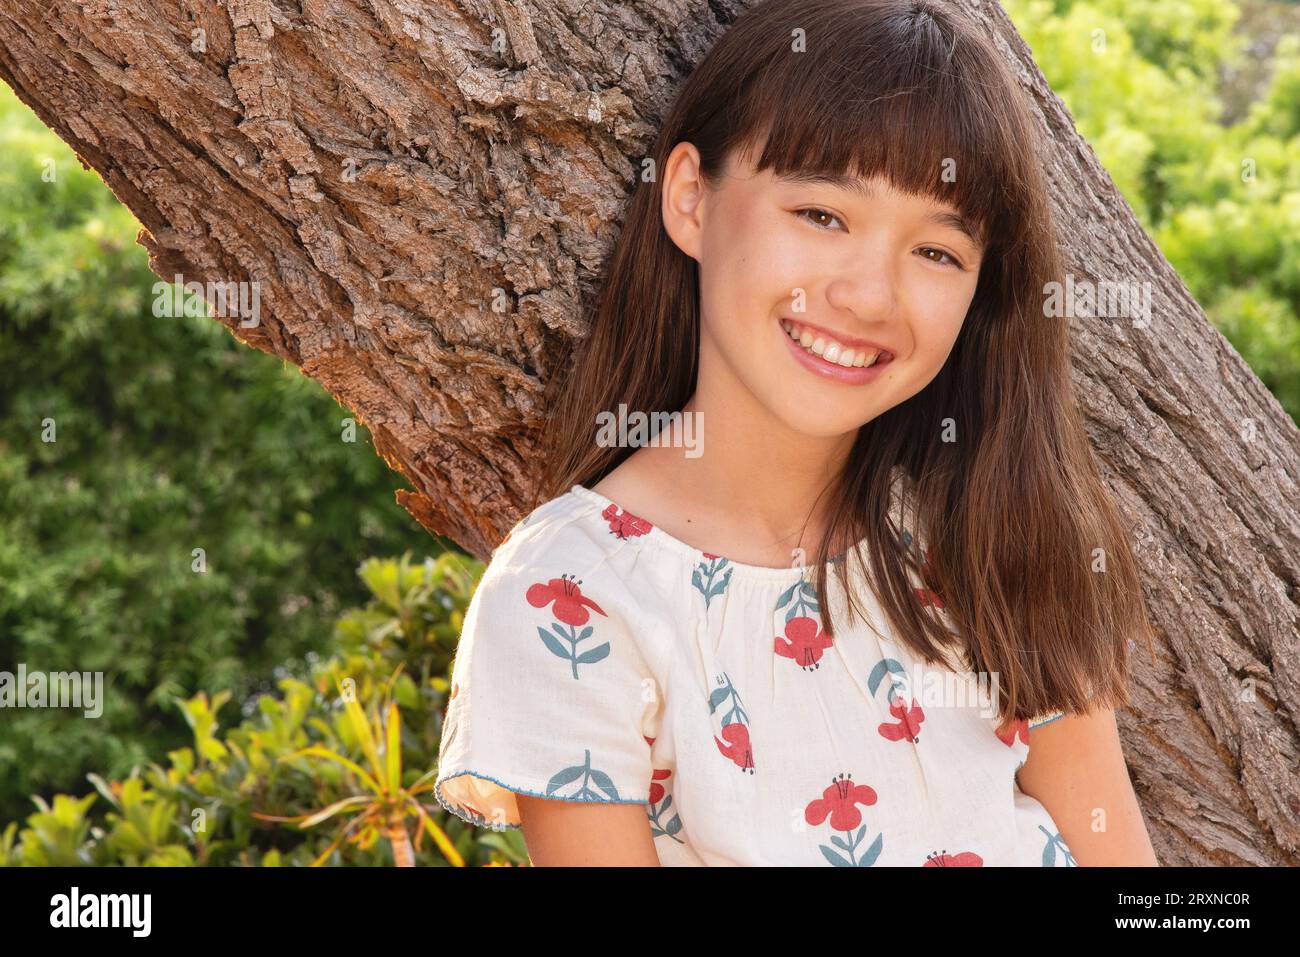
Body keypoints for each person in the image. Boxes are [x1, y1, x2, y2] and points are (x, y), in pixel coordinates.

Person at [434, 0, 1159, 866]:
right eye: (821, 215)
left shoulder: (989, 526)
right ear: (690, 199)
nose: (869, 296)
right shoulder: (574, 595)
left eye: (936, 252)